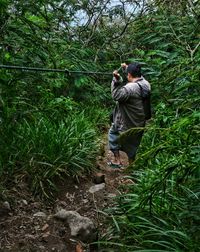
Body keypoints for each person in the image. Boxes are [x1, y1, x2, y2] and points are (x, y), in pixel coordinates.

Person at [108, 62, 151, 168]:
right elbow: (137, 77)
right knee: (133, 144)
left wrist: (116, 80)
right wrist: (126, 69)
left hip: (126, 121)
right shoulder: (146, 84)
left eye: (127, 74)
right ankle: (132, 166)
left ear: (130, 75)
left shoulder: (130, 88)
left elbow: (116, 95)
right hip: (139, 121)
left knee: (113, 135)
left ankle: (117, 160)